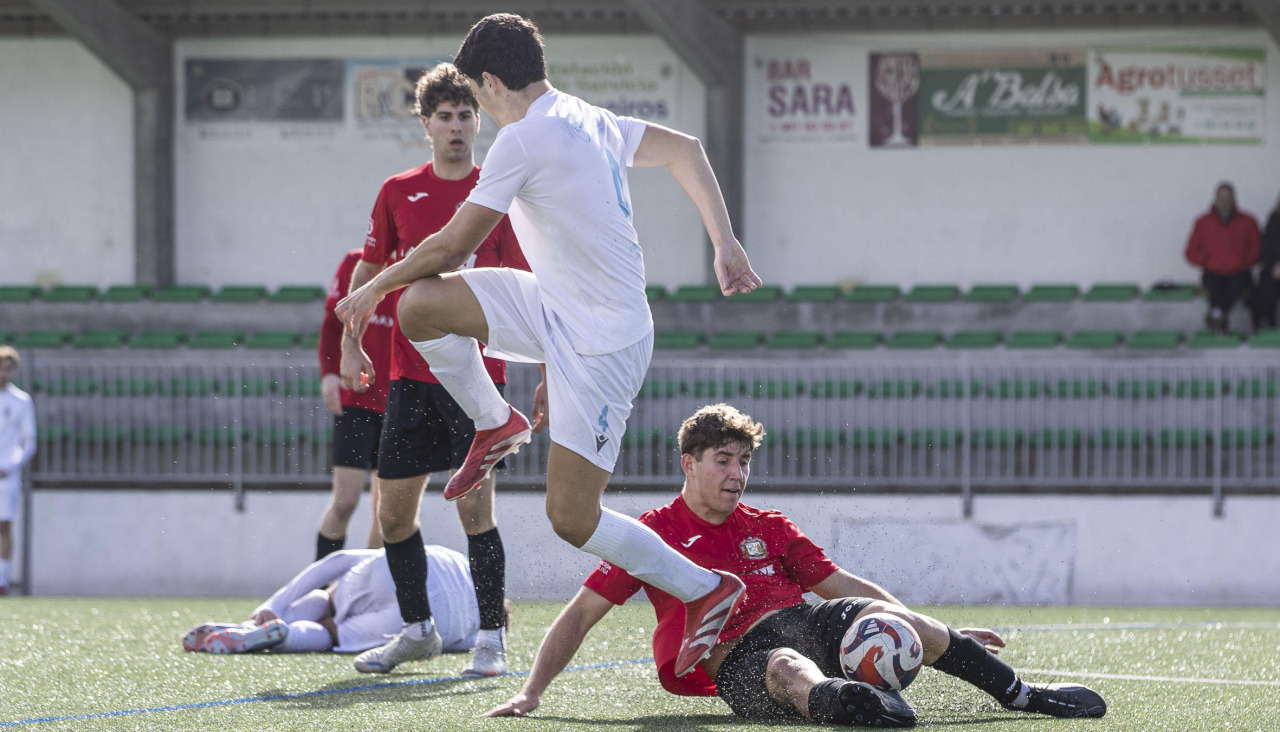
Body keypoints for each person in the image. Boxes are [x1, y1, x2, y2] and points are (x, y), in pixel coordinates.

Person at [336, 13, 763, 680]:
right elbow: (687, 150)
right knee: (422, 308)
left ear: (492, 81)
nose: (477, 113)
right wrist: (725, 242)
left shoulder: (525, 138)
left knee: (570, 516)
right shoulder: (589, 117)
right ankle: (492, 418)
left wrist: (369, 293)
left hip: (604, 344)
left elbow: (452, 245)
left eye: (476, 99)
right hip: (553, 305)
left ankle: (704, 587)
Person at [486, 404, 1108, 726]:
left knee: (882, 616)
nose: (737, 474)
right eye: (723, 460)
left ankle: (1023, 694)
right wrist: (532, 692)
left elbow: (843, 587)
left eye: (744, 463)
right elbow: (583, 613)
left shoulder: (769, 526)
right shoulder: (651, 534)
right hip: (738, 662)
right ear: (689, 462)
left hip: (805, 625)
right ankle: (846, 704)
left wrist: (925, 630)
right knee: (788, 665)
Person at [339, 62, 529, 678]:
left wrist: (549, 369)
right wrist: (350, 343)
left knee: (476, 513)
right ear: (426, 125)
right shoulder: (398, 191)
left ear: (479, 120)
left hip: (477, 383)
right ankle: (418, 630)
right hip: (408, 378)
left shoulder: (496, 192)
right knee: (392, 514)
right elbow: (369, 274)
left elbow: (525, 287)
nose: (456, 126)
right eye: (443, 116)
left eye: (465, 114)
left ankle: (491, 637)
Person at [181, 543, 483, 656]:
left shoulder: (461, 561)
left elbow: (338, 560)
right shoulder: (479, 629)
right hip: (432, 618)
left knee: (327, 599)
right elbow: (462, 645)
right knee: (329, 633)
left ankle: (262, 621)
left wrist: (273, 602)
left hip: (395, 569)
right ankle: (284, 635)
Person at [316, 248, 396, 560]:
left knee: (385, 512)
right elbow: (331, 322)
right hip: (357, 401)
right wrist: (329, 374)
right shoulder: (356, 262)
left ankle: (364, 593)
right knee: (345, 500)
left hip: (401, 404)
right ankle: (319, 587)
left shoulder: (419, 264)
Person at [1184, 182, 1260, 334]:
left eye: (1228, 197)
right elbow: (1190, 251)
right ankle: (1220, 318)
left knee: (1236, 287)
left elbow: (1257, 247)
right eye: (1221, 197)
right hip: (1213, 270)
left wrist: (1246, 262)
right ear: (1215, 198)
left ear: (1234, 199)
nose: (1225, 201)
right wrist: (1205, 261)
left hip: (1239, 271)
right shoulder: (1203, 222)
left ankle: (1216, 315)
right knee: (1214, 287)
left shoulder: (1248, 221)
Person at [0, 346, 36, 597]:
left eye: (10, 365)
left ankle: (2, 581)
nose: (5, 370)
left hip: (5, 475)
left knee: (4, 525)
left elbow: (29, 441)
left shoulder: (21, 400)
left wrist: (9, 466)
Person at [1250, 193, 1280, 330]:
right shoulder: (1274, 220)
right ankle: (1267, 324)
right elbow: (1267, 249)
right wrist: (1273, 266)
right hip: (1275, 270)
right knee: (1265, 282)